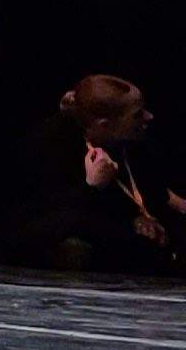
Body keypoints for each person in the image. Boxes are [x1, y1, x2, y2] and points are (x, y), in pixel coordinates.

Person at [17, 75, 186, 274]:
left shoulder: (132, 144)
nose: (149, 117)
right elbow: (52, 219)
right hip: (80, 239)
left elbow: (154, 192)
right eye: (137, 115)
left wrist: (145, 217)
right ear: (104, 125)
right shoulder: (53, 148)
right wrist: (92, 187)